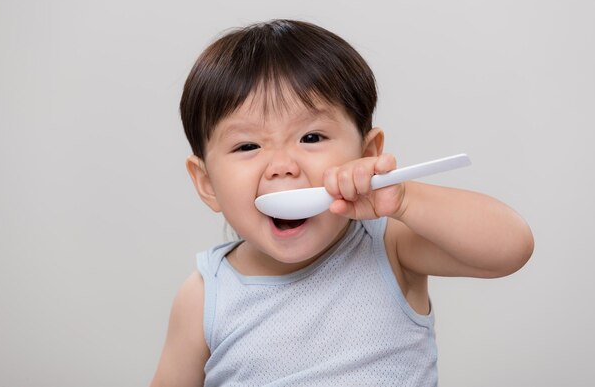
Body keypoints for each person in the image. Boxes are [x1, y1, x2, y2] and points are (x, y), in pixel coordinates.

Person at [150, 20, 534, 387]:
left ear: (366, 154)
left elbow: (511, 248)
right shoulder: (205, 295)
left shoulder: (389, 246)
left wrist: (403, 198)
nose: (283, 166)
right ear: (207, 184)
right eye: (247, 146)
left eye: (312, 137)